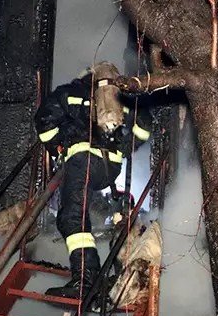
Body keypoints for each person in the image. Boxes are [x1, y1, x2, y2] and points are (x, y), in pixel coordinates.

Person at [35, 62, 151, 301]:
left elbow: (44, 119)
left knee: (72, 218)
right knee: (85, 212)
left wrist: (57, 148)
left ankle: (86, 280)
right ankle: (96, 274)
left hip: (82, 160)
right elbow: (145, 126)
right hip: (110, 168)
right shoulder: (123, 97)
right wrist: (124, 148)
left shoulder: (70, 92)